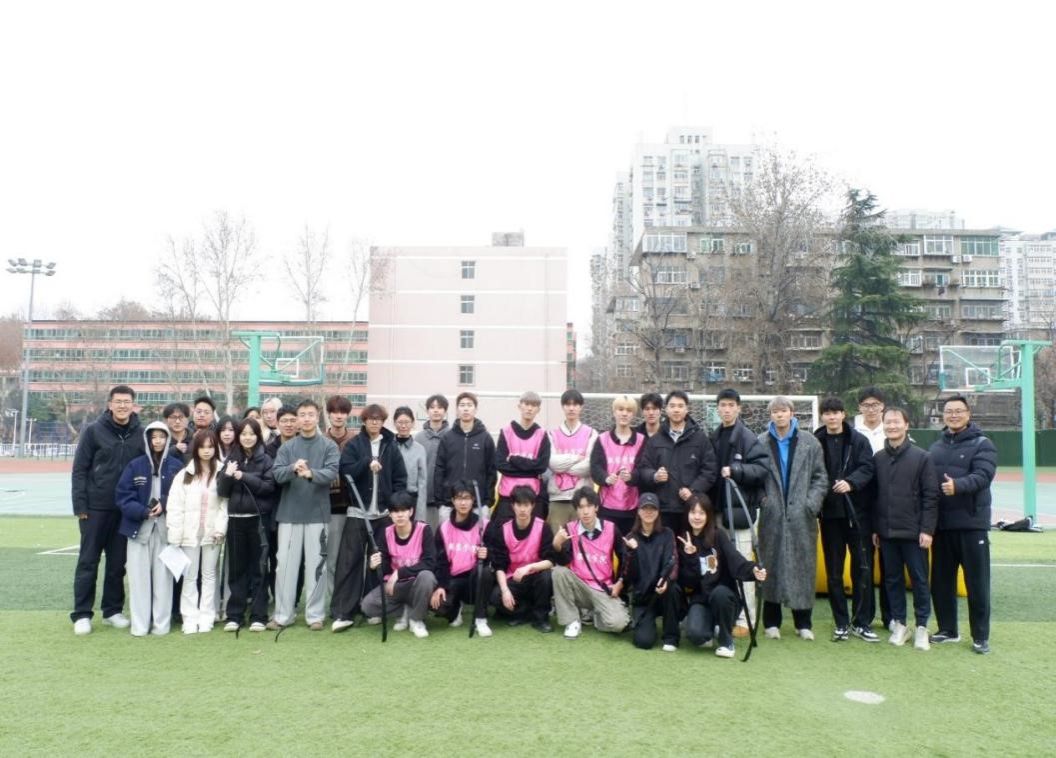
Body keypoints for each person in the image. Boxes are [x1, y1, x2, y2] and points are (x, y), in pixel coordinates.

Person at [71, 385, 143, 635]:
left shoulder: (140, 433)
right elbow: (80, 470)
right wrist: (80, 506)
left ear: (133, 405)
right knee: (88, 562)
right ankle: (82, 614)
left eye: (127, 401)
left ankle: (112, 610)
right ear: (110, 404)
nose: (122, 406)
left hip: (125, 510)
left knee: (117, 564)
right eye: (118, 401)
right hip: (95, 508)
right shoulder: (94, 431)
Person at [928, 395, 997, 655]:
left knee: (977, 584)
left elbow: (983, 475)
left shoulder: (983, 444)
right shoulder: (936, 447)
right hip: (942, 527)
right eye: (949, 411)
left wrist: (958, 486)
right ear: (943, 415)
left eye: (958, 411)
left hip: (972, 525)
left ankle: (980, 636)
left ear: (968, 414)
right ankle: (948, 630)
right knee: (941, 582)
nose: (953, 415)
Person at [756, 396, 828, 641]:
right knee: (770, 564)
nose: (779, 415)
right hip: (772, 515)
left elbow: (820, 477)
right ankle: (771, 622)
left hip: (802, 515)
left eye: (783, 410)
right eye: (775, 411)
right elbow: (755, 477)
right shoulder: (761, 442)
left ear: (792, 413)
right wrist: (764, 501)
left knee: (803, 565)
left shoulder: (810, 442)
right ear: (770, 415)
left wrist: (811, 504)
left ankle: (803, 623)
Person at [331, 404, 407, 631]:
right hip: (357, 512)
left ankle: (372, 608)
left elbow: (400, 479)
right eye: (371, 419)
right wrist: (366, 463)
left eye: (379, 419)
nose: (375, 422)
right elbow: (345, 472)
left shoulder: (391, 446)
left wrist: (393, 506)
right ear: (364, 421)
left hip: (383, 515)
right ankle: (344, 612)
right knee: (349, 563)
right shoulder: (354, 444)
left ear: (383, 422)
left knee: (378, 562)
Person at [269, 399, 340, 631]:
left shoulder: (329, 446)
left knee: (317, 566)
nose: (306, 419)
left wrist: (311, 474)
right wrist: (293, 468)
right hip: (289, 514)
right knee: (284, 567)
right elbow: (277, 474)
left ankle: (315, 615)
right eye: (303, 415)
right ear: (298, 419)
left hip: (318, 515)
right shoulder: (287, 447)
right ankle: (283, 615)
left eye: (311, 414)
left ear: (317, 417)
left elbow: (332, 472)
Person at [872, 407, 939, 650]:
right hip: (887, 533)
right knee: (892, 580)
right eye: (888, 422)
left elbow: (931, 496)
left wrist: (927, 530)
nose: (892, 426)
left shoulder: (922, 457)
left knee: (920, 580)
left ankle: (921, 626)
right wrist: (876, 528)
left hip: (914, 534)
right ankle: (900, 624)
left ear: (906, 425)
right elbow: (875, 497)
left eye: (896, 422)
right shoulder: (878, 458)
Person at [814, 396, 877, 642]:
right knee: (834, 572)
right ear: (822, 416)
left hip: (858, 515)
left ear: (843, 414)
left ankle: (862, 622)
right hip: (830, 517)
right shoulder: (815, 442)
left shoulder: (859, 440)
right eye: (827, 413)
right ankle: (841, 622)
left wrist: (851, 483)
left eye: (836, 412)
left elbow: (868, 468)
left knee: (862, 569)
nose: (832, 417)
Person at [708, 387, 769, 638]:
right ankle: (725, 615)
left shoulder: (748, 437)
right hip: (717, 513)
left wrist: (736, 470)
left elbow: (762, 469)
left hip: (740, 515)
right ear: (717, 408)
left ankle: (747, 619)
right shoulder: (713, 436)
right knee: (719, 565)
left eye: (731, 405)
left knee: (743, 564)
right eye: (722, 405)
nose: (726, 409)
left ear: (738, 408)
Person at [115, 421, 184, 636]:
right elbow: (123, 497)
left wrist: (164, 503)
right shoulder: (135, 465)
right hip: (138, 532)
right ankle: (140, 626)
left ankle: (161, 626)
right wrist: (143, 511)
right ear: (147, 440)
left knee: (163, 581)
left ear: (168, 439)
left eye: (162, 437)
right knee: (138, 581)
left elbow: (182, 495)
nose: (158, 441)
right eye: (154, 437)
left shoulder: (176, 466)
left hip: (165, 532)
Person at [677, 495, 767, 658]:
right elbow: (688, 582)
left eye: (701, 513)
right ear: (687, 514)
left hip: (724, 599)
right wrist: (690, 557)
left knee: (720, 593)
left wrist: (754, 570)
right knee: (696, 635)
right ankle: (712, 626)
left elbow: (736, 561)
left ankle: (726, 641)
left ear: (708, 515)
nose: (697, 517)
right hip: (701, 600)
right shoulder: (684, 541)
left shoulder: (718, 536)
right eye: (693, 512)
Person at [216, 418, 276, 633]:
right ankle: (235, 615)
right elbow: (222, 491)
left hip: (258, 520)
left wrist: (244, 476)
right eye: (243, 434)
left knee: (259, 568)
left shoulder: (266, 459)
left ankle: (259, 615)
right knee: (237, 569)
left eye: (251, 434)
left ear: (258, 436)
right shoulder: (231, 458)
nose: (247, 438)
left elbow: (269, 488)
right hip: (235, 519)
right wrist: (228, 475)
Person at [166, 429, 228, 634]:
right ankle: (189, 618)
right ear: (196, 449)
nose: (207, 451)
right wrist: (175, 535)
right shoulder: (184, 475)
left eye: (210, 447)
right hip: (189, 534)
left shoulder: (222, 473)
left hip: (212, 534)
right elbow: (175, 506)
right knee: (190, 577)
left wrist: (220, 529)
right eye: (202, 447)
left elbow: (224, 504)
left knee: (209, 576)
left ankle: (207, 616)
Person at [551, 487, 629, 639]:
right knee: (559, 572)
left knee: (618, 624)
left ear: (596, 507)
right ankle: (572, 621)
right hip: (579, 585)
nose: (585, 512)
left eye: (589, 506)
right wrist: (557, 545)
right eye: (581, 507)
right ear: (576, 510)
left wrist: (620, 582)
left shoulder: (611, 528)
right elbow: (564, 561)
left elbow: (624, 557)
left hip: (602, 588)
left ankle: (594, 614)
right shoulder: (570, 528)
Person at [638, 390, 718, 532]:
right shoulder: (655, 440)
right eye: (672, 406)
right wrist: (654, 476)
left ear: (687, 409)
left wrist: (693, 490)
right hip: (663, 509)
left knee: (689, 545)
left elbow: (710, 470)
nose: (676, 410)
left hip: (691, 509)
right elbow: (643, 468)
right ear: (666, 409)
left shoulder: (700, 439)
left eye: (680, 406)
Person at [362, 492, 437, 639]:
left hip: (417, 583)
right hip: (395, 586)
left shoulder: (424, 529)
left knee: (427, 576)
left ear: (411, 511)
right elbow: (384, 567)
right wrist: (373, 565)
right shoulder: (386, 533)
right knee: (367, 606)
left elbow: (430, 562)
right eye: (395, 511)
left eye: (403, 510)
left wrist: (400, 572)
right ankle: (403, 611)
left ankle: (417, 619)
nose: (400, 515)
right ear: (390, 514)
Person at [486, 485, 556, 633]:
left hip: (536, 577)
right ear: (513, 506)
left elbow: (551, 561)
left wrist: (529, 568)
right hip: (514, 579)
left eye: (526, 505)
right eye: (519, 505)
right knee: (496, 597)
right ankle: (524, 613)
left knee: (546, 576)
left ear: (533, 506)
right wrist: (505, 590)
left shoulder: (543, 527)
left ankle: (541, 619)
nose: (523, 509)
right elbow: (499, 566)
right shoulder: (503, 529)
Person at [431, 480, 494, 636]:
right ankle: (455, 609)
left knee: (485, 572)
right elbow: (441, 562)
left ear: (473, 500)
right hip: (453, 580)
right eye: (459, 498)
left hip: (475, 579)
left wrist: (487, 554)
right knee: (437, 605)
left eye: (467, 498)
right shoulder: (444, 528)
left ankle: (480, 618)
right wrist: (441, 586)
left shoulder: (484, 525)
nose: (463, 503)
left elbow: (496, 554)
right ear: (453, 501)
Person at [622, 493, 679, 651]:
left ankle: (671, 637)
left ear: (658, 512)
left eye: (652, 508)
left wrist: (665, 580)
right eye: (644, 508)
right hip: (642, 598)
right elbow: (628, 575)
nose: (648, 512)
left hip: (663, 593)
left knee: (673, 589)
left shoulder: (667, 534)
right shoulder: (631, 537)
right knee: (644, 641)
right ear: (638, 511)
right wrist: (632, 552)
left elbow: (672, 562)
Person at [434, 392, 497, 523]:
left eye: (469, 405)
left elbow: (491, 471)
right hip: (449, 503)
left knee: (478, 536)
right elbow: (439, 470)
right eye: (462, 405)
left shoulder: (485, 438)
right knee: (447, 536)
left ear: (476, 409)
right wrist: (440, 501)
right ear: (457, 409)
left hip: (478, 503)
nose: (466, 409)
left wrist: (487, 501)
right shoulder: (447, 438)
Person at [590, 394, 646, 537]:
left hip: (632, 506)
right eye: (621, 409)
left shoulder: (641, 440)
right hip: (607, 506)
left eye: (629, 410)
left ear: (633, 414)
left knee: (629, 545)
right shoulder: (602, 439)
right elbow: (595, 467)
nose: (624, 413)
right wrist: (605, 478)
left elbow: (643, 468)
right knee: (607, 545)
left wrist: (632, 477)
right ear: (614, 412)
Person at [546, 389, 598, 533]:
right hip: (558, 498)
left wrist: (563, 466)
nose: (571, 408)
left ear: (581, 407)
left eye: (575, 404)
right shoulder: (552, 434)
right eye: (568, 404)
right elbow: (552, 464)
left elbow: (588, 466)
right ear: (562, 407)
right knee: (558, 541)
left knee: (581, 541)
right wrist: (576, 458)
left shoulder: (591, 433)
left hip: (583, 499)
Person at [494, 391, 550, 522]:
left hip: (533, 496)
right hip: (507, 495)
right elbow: (500, 465)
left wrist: (514, 460)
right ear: (519, 406)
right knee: (503, 532)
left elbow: (542, 466)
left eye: (534, 405)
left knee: (534, 532)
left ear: (538, 409)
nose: (529, 408)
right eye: (526, 404)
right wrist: (530, 469)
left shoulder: (542, 434)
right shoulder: (506, 432)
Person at [324, 395, 356, 600]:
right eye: (334, 412)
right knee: (332, 557)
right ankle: (334, 599)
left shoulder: (355, 440)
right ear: (329, 414)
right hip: (329, 507)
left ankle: (351, 598)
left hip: (354, 507)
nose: (338, 416)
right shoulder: (321, 440)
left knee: (352, 557)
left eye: (343, 412)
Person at [415, 393, 449, 530]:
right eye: (432, 407)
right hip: (424, 499)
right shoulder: (418, 438)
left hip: (447, 500)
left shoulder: (452, 436)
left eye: (440, 407)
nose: (436, 410)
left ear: (445, 411)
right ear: (427, 410)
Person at [394, 406, 428, 521]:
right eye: (400, 422)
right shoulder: (388, 446)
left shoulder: (419, 449)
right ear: (394, 423)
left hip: (411, 499)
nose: (403, 426)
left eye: (407, 422)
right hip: (391, 498)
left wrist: (420, 514)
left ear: (413, 423)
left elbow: (422, 482)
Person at [854, 387, 886, 454]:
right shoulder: (853, 432)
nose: (871, 410)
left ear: (882, 406)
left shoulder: (890, 430)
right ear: (860, 407)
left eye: (875, 405)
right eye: (866, 405)